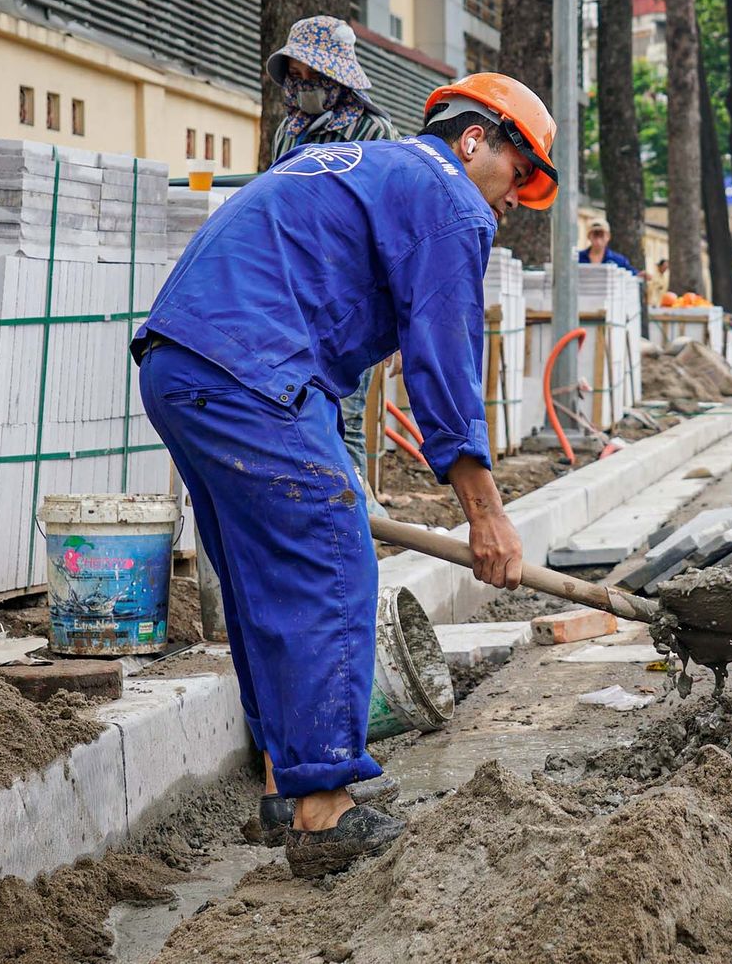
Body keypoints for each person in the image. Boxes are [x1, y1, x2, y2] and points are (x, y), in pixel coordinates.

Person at [133, 72, 555, 878]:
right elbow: (444, 361)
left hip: (183, 362)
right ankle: (324, 813)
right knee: (331, 552)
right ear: (475, 141)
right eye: (518, 176)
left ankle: (282, 786)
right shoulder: (448, 197)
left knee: (264, 576)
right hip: (246, 366)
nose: (510, 205)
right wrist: (486, 513)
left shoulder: (371, 170)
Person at [264, 17, 403, 492]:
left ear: (337, 79)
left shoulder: (374, 132)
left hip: (348, 297)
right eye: (296, 77)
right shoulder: (289, 132)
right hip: (291, 293)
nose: (303, 87)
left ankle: (351, 514)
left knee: (343, 410)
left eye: (313, 77)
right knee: (292, 408)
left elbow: (390, 226)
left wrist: (397, 322)